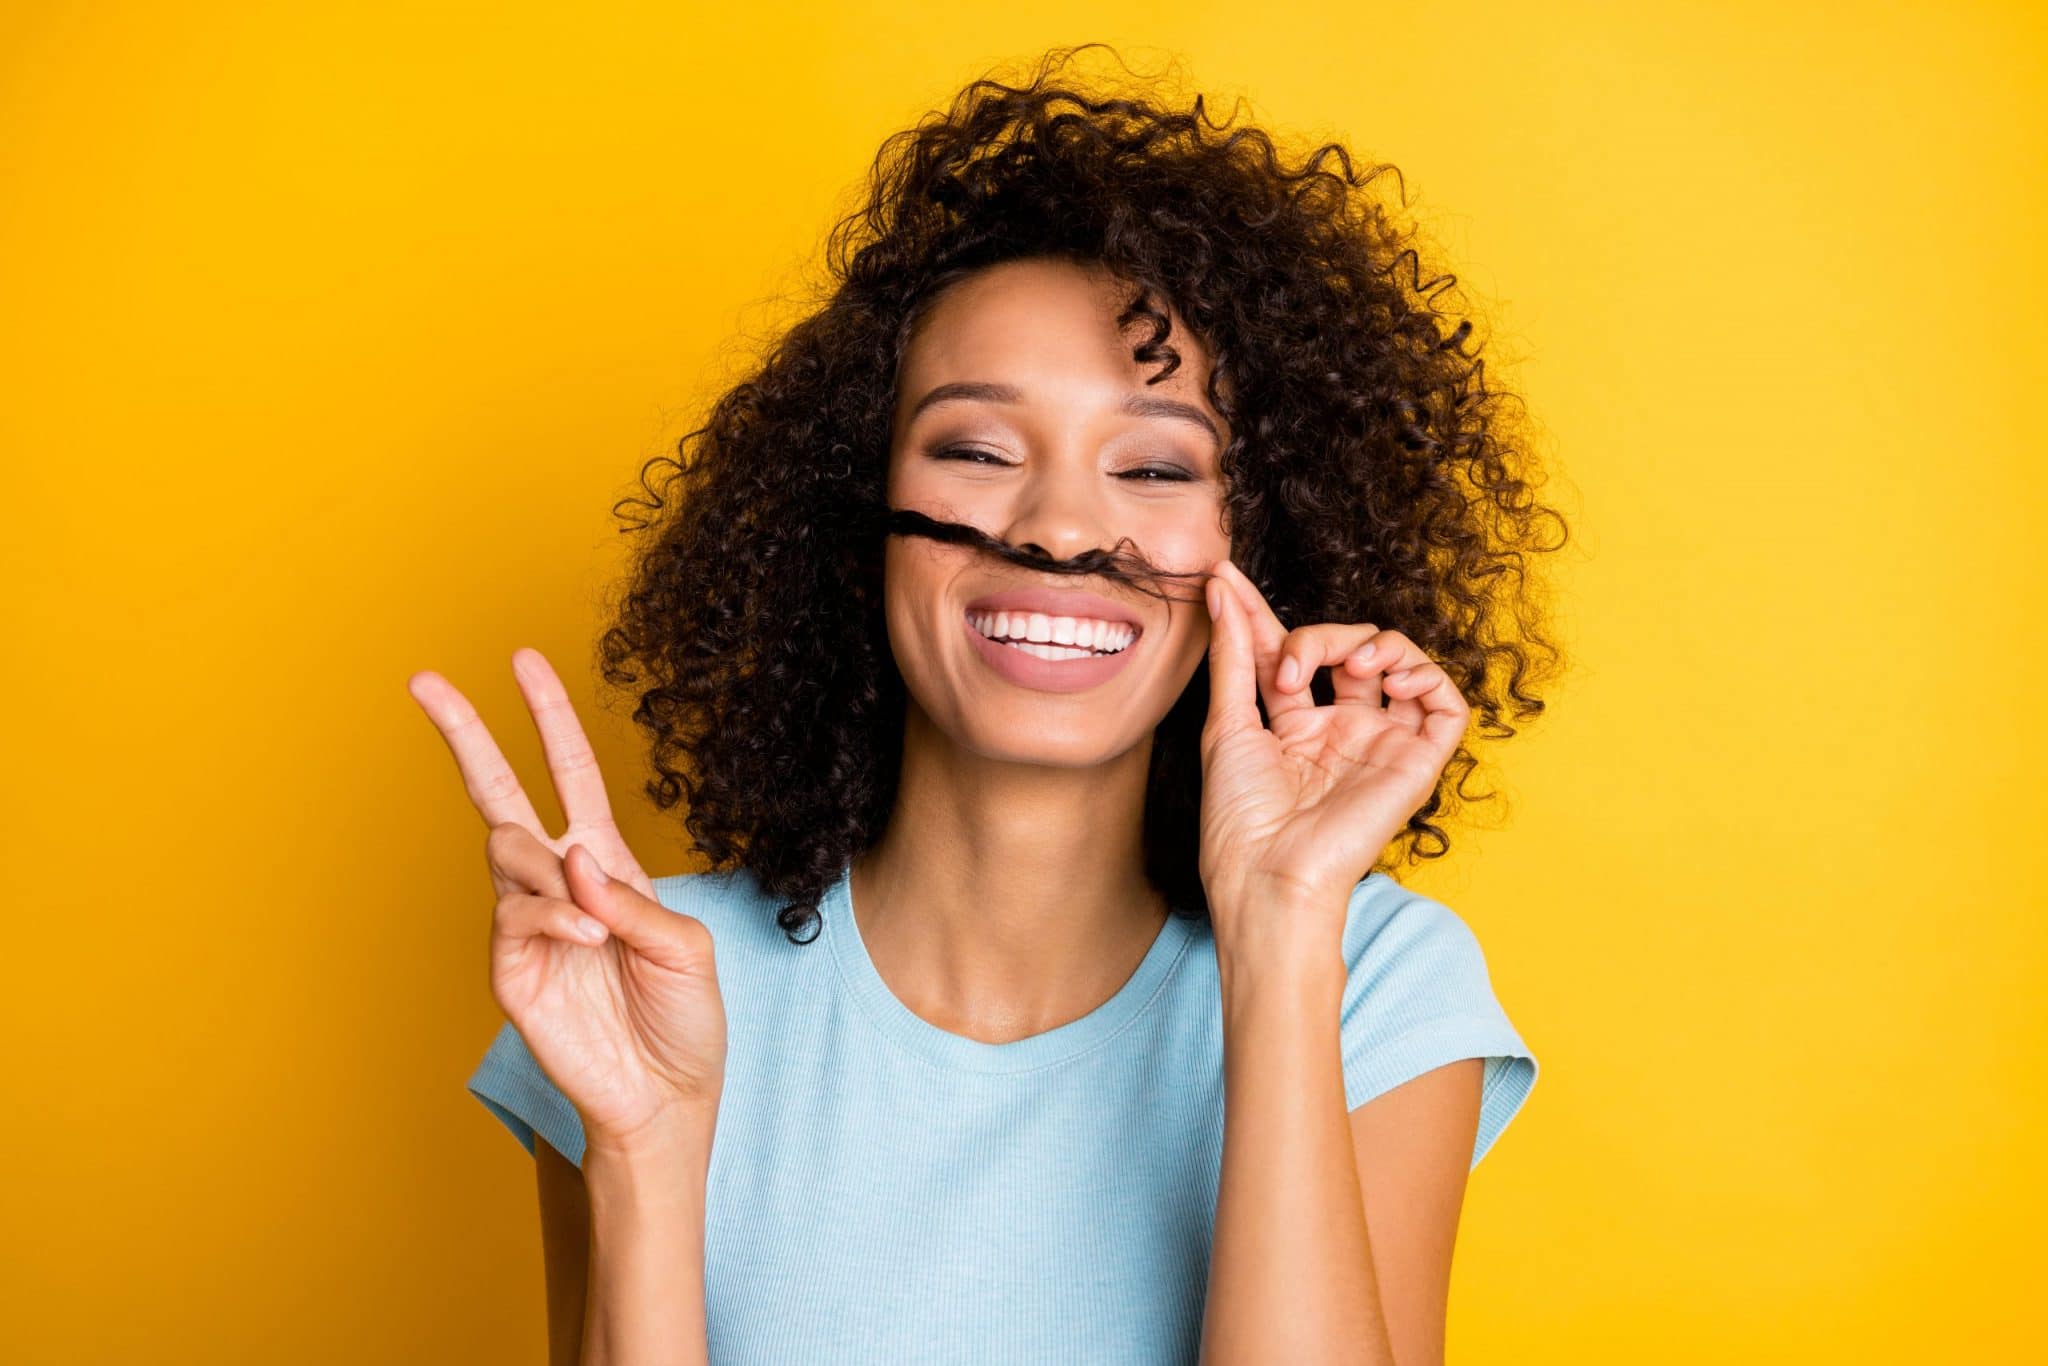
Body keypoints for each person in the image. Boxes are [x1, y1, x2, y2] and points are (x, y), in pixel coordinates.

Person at [410, 43, 1566, 1366]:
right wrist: (641, 1148)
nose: (1063, 526)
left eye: (1151, 465)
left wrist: (1285, 927)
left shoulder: (1377, 982)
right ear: (856, 521)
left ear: (1264, 548)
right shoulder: (647, 973)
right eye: (976, 448)